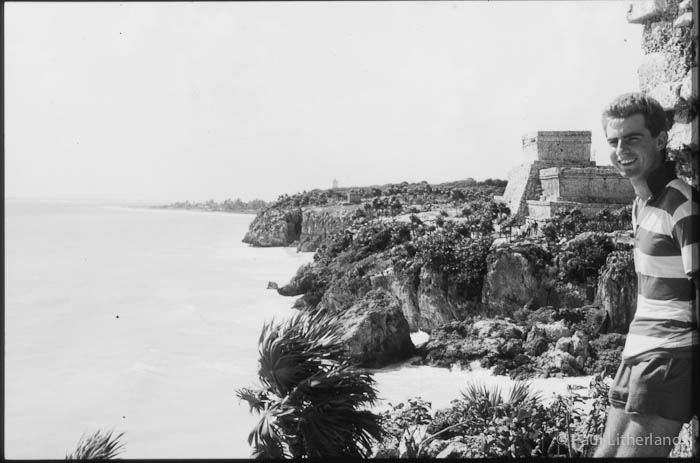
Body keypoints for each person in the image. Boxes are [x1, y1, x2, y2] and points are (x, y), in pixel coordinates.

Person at [592, 93, 699, 457]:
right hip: (636, 352)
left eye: (633, 138)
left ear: (661, 140)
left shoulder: (682, 205)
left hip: (669, 357)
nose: (621, 149)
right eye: (614, 141)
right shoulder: (641, 205)